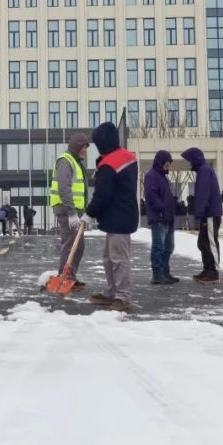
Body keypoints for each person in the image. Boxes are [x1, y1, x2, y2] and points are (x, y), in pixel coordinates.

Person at [86, 122, 139, 312]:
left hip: (119, 218)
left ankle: (123, 296)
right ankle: (110, 293)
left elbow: (102, 196)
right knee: (109, 258)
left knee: (119, 259)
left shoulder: (110, 165)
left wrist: (89, 213)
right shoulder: (126, 157)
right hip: (120, 216)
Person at [50, 132, 89, 289]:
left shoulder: (76, 162)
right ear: (76, 147)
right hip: (67, 210)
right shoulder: (66, 161)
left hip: (75, 210)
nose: (86, 150)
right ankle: (64, 277)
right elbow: (64, 188)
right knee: (70, 244)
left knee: (78, 245)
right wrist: (72, 212)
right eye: (83, 147)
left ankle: (69, 276)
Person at [181, 148, 223, 285]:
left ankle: (213, 272)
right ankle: (207, 269)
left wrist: (199, 211)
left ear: (195, 159)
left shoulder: (204, 171)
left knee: (210, 242)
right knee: (203, 242)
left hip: (210, 213)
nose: (189, 163)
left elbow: (204, 193)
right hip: (207, 213)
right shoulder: (203, 170)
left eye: (189, 160)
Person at [144, 150, 178, 285]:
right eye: (168, 163)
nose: (169, 166)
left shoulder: (164, 177)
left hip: (168, 218)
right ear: (163, 162)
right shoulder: (151, 176)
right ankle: (157, 274)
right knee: (158, 247)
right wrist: (162, 209)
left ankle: (165, 271)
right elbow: (151, 196)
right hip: (159, 217)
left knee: (169, 247)